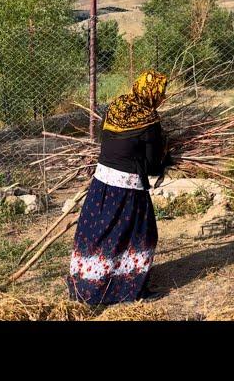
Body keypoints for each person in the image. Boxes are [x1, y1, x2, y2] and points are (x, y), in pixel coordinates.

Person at [67, 69, 169, 305]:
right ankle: (128, 289)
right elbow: (153, 165)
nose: (163, 98)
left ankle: (84, 283)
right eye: (162, 93)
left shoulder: (117, 105)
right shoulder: (150, 122)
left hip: (101, 182)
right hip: (127, 188)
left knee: (98, 232)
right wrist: (166, 155)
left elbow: (108, 140)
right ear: (152, 94)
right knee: (142, 235)